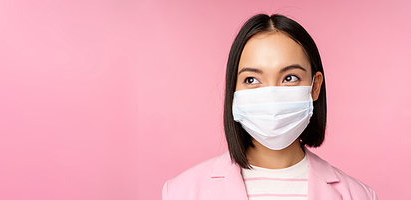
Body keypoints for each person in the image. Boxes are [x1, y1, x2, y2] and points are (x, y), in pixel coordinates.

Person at [162, 14, 377, 200]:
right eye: (252, 80)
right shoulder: (183, 192)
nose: (272, 95)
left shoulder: (359, 196)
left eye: (290, 77)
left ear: (315, 86)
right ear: (233, 91)